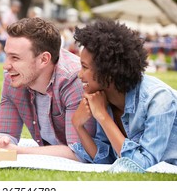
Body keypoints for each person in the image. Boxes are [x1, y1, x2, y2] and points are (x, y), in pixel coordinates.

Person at [0, 17, 95, 160]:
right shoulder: (14, 78)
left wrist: (17, 151)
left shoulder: (74, 79)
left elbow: (80, 152)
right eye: (7, 56)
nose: (6, 66)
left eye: (15, 58)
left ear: (44, 59)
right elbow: (6, 134)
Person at [71, 19, 177, 169]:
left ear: (108, 72)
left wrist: (103, 117)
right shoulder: (103, 98)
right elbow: (105, 159)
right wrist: (78, 125)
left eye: (84, 67)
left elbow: (142, 166)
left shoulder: (158, 99)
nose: (79, 75)